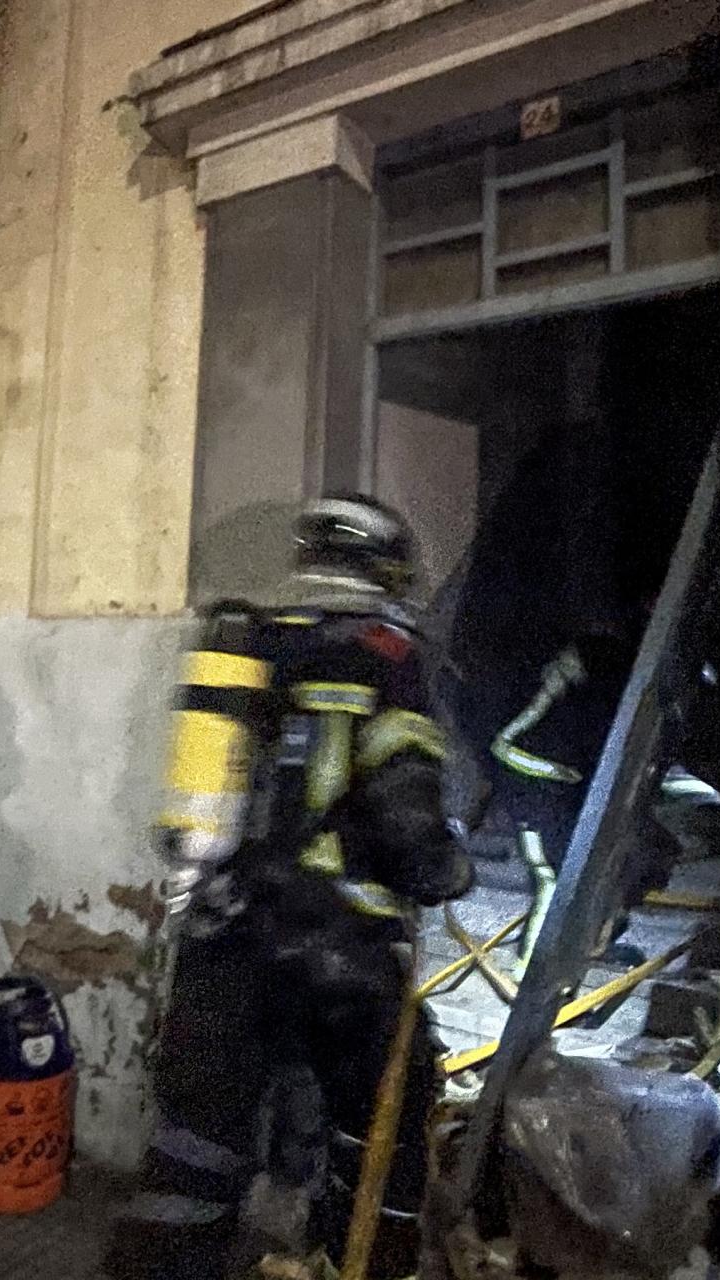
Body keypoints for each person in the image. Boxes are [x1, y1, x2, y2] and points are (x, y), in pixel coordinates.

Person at [103, 495, 473, 1280]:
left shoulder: (250, 642)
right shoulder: (389, 654)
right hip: (339, 952)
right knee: (385, 1130)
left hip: (222, 934)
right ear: (385, 564)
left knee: (194, 1143)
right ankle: (363, 1263)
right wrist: (449, 867)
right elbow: (409, 830)